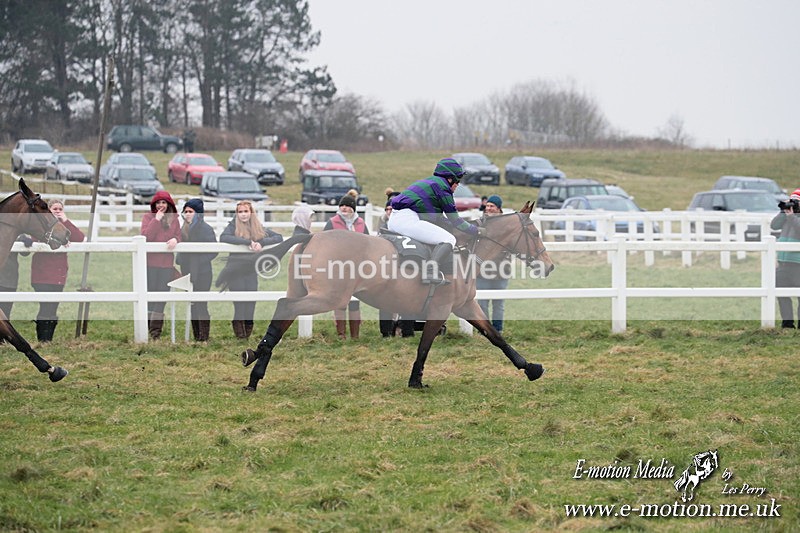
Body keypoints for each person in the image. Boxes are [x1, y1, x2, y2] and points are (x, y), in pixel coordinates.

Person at [388, 157, 484, 284]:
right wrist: (475, 230)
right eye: (457, 180)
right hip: (407, 221)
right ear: (449, 178)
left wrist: (468, 227)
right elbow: (455, 220)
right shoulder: (443, 188)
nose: (458, 184)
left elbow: (439, 219)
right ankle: (430, 271)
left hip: (396, 219)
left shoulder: (432, 183)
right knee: (449, 239)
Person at [220, 200, 283, 339]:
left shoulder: (257, 227)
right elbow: (224, 237)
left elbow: (278, 237)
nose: (243, 215)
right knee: (239, 301)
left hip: (251, 270)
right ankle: (240, 335)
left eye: (245, 211)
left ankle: (247, 334)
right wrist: (247, 242)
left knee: (251, 301)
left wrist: (261, 242)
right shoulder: (232, 225)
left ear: (251, 212)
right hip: (235, 270)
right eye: (240, 212)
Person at [30, 200, 85, 342]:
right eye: (55, 208)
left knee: (53, 307)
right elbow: (36, 239)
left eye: (60, 208)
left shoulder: (64, 226)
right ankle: (42, 340)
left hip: (58, 274)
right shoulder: (41, 225)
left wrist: (65, 221)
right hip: (42, 274)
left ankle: (48, 340)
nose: (58, 211)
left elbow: (79, 238)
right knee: (45, 306)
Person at [324, 190, 369, 339]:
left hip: (357, 268)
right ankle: (341, 334)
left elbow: (369, 243)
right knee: (340, 300)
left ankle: (355, 335)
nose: (344, 208)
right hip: (339, 267)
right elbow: (325, 243)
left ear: (353, 208)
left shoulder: (361, 224)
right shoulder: (332, 222)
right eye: (341, 205)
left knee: (355, 300)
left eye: (347, 206)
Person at [141, 190, 181, 339]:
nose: (161, 205)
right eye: (158, 202)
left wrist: (176, 240)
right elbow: (146, 237)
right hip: (150, 264)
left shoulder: (174, 219)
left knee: (162, 297)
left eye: (164, 202)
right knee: (150, 296)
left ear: (168, 204)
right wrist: (156, 220)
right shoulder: (148, 218)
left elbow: (178, 235)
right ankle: (146, 328)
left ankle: (155, 332)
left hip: (166, 265)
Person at [176, 199, 217, 342]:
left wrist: (198, 262)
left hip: (203, 272)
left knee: (201, 303)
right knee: (192, 303)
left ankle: (204, 337)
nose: (187, 214)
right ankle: (196, 336)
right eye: (186, 211)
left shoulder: (206, 228)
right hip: (187, 270)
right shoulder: (183, 228)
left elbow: (214, 250)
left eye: (190, 211)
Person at [476, 195, 510, 332]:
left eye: (492, 206)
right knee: (482, 303)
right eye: (487, 206)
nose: (488, 208)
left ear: (498, 208)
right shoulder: (480, 223)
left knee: (498, 303)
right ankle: (485, 329)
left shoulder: (506, 225)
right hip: (482, 270)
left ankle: (498, 330)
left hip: (501, 270)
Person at [771, 188, 800, 328]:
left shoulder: (793, 218)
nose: (793, 204)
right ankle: (787, 324)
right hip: (783, 262)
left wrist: (792, 217)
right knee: (781, 293)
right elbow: (774, 225)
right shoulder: (788, 215)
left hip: (798, 263)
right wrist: (784, 211)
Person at [0, 234, 33, 319]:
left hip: (7, 280)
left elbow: (25, 252)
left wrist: (22, 239)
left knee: (5, 316)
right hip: (7, 280)